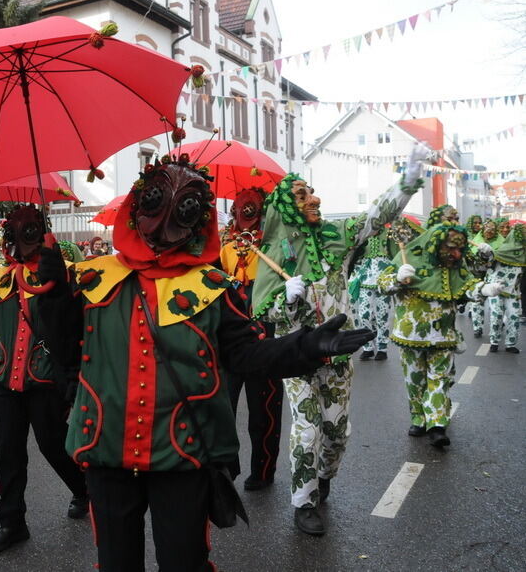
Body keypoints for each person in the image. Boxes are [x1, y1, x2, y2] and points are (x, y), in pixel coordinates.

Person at [34, 156, 374, 570]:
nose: (166, 219)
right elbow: (63, 348)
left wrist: (306, 346)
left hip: (182, 455)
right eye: (158, 197)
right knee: (116, 563)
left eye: (187, 206)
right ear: (139, 203)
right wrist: (51, 297)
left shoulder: (211, 287)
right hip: (107, 450)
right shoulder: (91, 278)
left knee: (185, 562)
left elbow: (246, 355)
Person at [251, 143, 430, 535]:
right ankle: (304, 500)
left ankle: (324, 473)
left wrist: (409, 180)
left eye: (311, 192)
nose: (313, 198)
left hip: (337, 355)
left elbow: (374, 216)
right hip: (296, 359)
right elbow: (261, 313)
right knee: (308, 429)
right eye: (302, 195)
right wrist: (287, 296)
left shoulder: (337, 237)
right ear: (285, 207)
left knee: (335, 432)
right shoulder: (270, 255)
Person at [0, 205, 90, 555]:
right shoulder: (4, 276)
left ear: (40, 231)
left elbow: (72, 329)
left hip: (45, 375)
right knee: (7, 451)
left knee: (52, 444)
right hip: (8, 376)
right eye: (17, 229)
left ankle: (82, 488)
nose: (24, 237)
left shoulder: (61, 273)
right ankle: (12, 523)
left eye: (30, 228)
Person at [377, 223, 493, 447]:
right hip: (410, 336)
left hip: (442, 335)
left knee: (438, 380)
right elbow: (382, 284)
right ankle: (419, 419)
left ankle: (437, 425)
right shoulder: (408, 256)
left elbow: (467, 285)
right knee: (415, 381)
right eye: (450, 248)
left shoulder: (454, 267)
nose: (456, 254)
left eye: (459, 249)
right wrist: (397, 279)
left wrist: (482, 290)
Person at [218, 187, 285, 491]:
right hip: (230, 332)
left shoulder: (274, 242)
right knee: (222, 407)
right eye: (240, 207)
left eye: (252, 207)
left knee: (264, 408)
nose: (245, 212)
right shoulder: (224, 241)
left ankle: (263, 469)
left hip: (264, 332)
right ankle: (223, 468)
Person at [349, 228, 394, 361]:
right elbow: (355, 255)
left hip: (384, 280)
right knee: (364, 315)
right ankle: (367, 347)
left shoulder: (390, 233)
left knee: (383, 315)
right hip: (365, 279)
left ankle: (382, 348)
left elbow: (396, 254)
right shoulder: (363, 234)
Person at [484, 223, 524, 353]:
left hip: (513, 291)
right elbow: (488, 263)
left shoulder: (524, 254)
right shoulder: (502, 250)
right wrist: (486, 253)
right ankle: (494, 341)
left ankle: (510, 344)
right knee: (497, 314)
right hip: (496, 288)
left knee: (514, 316)